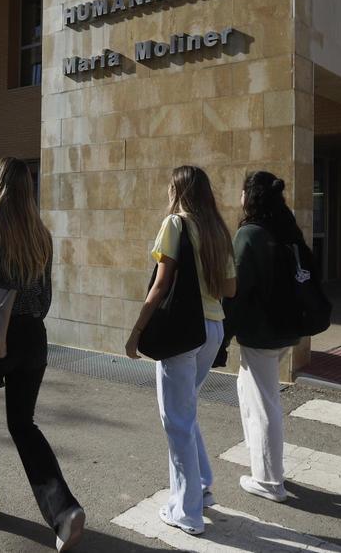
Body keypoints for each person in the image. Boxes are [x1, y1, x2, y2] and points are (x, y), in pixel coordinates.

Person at [0, 157, 85, 552]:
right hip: (32, 339)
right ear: (28, 189)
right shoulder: (42, 235)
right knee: (24, 425)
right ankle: (64, 512)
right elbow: (43, 301)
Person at [126, 165, 236, 537]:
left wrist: (136, 332)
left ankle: (186, 512)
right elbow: (231, 288)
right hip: (214, 328)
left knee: (176, 420)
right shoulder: (217, 229)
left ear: (179, 190)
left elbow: (160, 286)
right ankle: (202, 485)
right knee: (185, 410)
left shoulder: (175, 224)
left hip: (182, 332)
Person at [223, 172, 310, 504]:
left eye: (243, 190)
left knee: (263, 405)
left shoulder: (249, 235)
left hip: (263, 332)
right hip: (288, 328)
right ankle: (260, 458)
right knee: (248, 389)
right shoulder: (284, 229)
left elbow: (235, 293)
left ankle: (269, 480)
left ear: (251, 196)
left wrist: (222, 336)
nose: (239, 195)